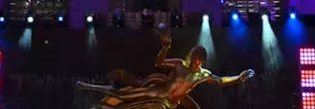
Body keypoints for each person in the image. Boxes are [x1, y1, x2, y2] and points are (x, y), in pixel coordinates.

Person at [76, 33, 254, 109]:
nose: (194, 61)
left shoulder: (202, 74)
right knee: (122, 95)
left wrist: (239, 78)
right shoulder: (179, 64)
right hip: (156, 92)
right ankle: (88, 86)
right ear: (190, 56)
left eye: (197, 59)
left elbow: (220, 81)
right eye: (192, 57)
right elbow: (159, 63)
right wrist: (165, 48)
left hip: (168, 104)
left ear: (201, 61)